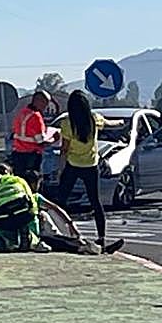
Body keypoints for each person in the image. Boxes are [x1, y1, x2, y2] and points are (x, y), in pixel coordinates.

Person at [54, 90, 125, 252]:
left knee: (61, 201)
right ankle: (101, 238)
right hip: (91, 166)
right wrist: (121, 122)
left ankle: (58, 233)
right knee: (95, 202)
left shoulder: (67, 123)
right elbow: (109, 123)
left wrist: (60, 170)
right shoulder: (94, 119)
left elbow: (64, 150)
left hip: (72, 165)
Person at [20, 170, 124, 255]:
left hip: (31, 234)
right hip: (33, 237)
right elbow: (56, 209)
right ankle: (95, 249)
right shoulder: (34, 197)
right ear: (33, 184)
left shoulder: (22, 196)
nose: (39, 187)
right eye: (38, 184)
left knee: (57, 236)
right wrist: (70, 225)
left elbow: (56, 208)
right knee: (59, 242)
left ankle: (91, 246)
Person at [0, 163, 42, 252]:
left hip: (4, 221)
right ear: (8, 172)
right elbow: (31, 199)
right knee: (26, 215)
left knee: (3, 231)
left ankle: (7, 242)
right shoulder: (18, 180)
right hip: (23, 216)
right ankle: (31, 239)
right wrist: (34, 214)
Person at [10, 90, 57, 175]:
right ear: (37, 101)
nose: (45, 106)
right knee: (32, 183)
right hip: (31, 156)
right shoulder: (36, 116)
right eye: (45, 102)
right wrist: (54, 138)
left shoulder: (22, 113)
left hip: (17, 154)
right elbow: (41, 142)